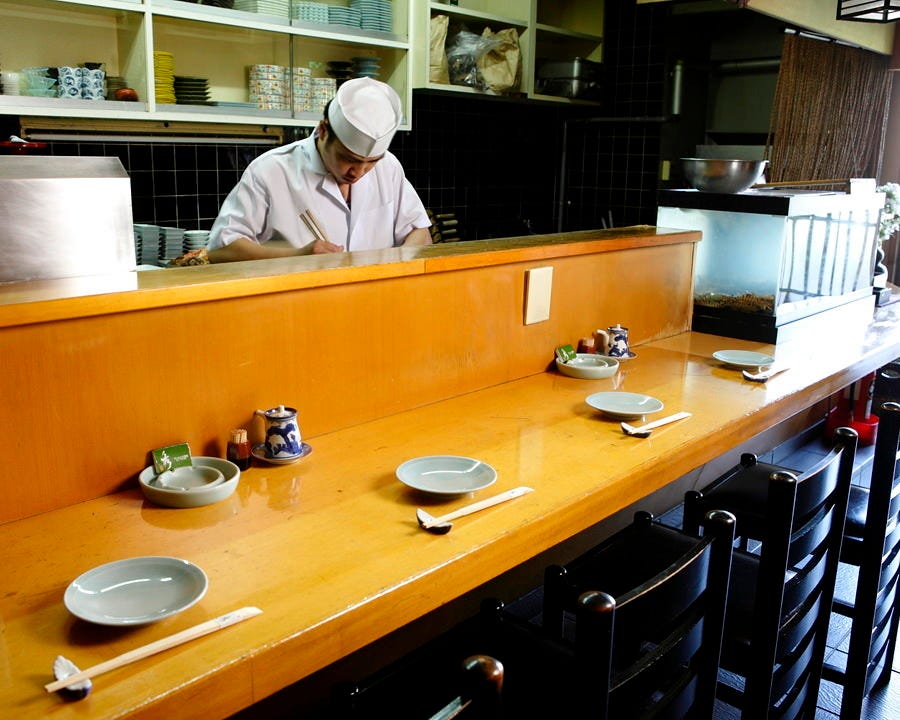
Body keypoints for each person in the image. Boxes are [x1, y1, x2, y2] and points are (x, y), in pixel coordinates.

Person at [207, 77, 431, 262]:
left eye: (371, 162)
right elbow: (221, 250)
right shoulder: (271, 170)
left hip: (375, 296)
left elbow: (419, 232)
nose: (358, 172)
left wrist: (400, 262)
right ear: (323, 130)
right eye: (348, 159)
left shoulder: (388, 166)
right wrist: (297, 257)